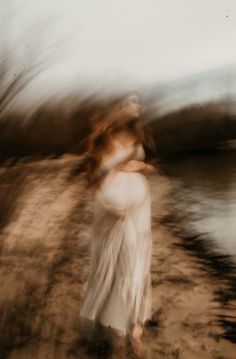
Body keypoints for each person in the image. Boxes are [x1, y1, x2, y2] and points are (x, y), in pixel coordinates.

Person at [80, 94, 156, 356]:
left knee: (135, 265)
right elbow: (92, 181)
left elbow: (150, 167)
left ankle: (135, 326)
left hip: (139, 213)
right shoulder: (102, 141)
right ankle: (118, 329)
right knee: (116, 268)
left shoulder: (140, 137)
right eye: (130, 101)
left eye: (138, 101)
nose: (137, 105)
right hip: (110, 213)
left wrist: (142, 166)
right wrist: (108, 206)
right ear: (118, 108)